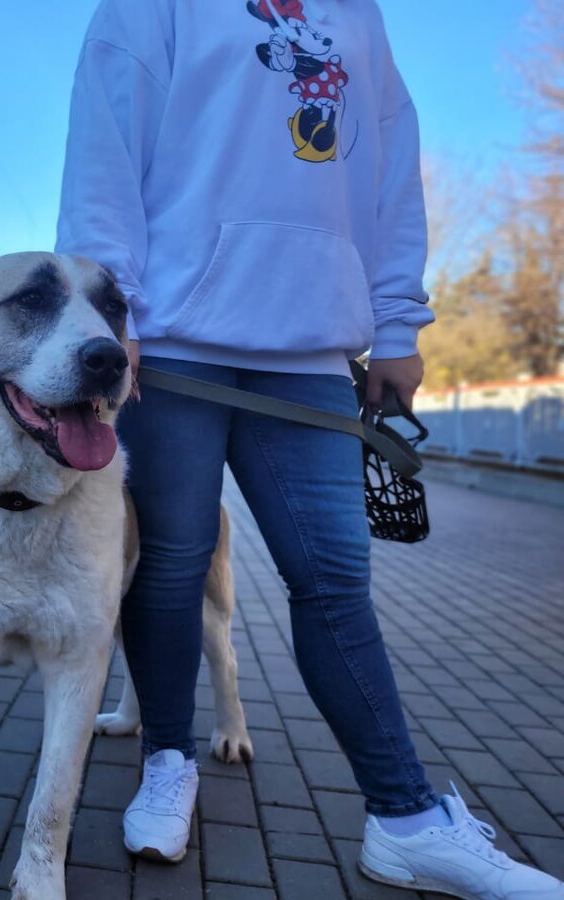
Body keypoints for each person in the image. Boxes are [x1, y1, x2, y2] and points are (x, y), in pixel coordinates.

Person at [55, 1, 564, 897]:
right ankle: (168, 760)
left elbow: (388, 167)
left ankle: (405, 819)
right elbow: (107, 149)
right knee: (171, 564)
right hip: (172, 342)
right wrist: (109, 307)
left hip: (313, 350)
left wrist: (399, 317)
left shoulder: (357, 16)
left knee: (333, 577)